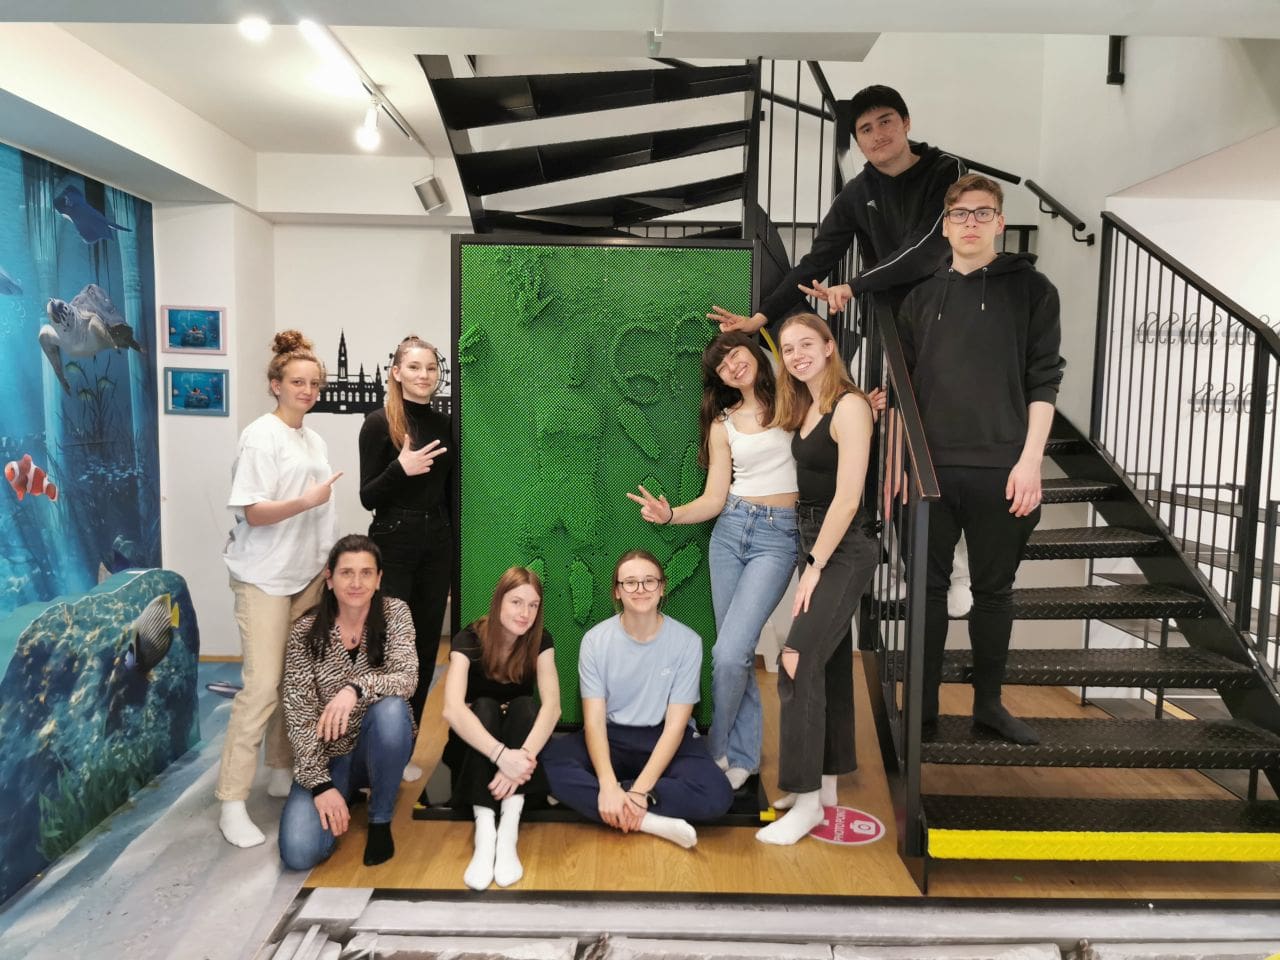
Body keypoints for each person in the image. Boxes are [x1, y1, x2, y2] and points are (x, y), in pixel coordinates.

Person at [897, 173, 1064, 746]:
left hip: (1004, 467)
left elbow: (1044, 379)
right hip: (931, 469)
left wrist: (1031, 461)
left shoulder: (1033, 290)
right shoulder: (920, 297)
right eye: (960, 214)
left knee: (994, 592)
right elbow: (905, 390)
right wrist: (902, 462)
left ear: (1000, 222)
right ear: (945, 225)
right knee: (928, 592)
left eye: (982, 213)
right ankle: (921, 710)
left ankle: (989, 706)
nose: (970, 223)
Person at [626, 332, 797, 792]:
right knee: (736, 653)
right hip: (730, 533)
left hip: (778, 537)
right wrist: (671, 515)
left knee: (728, 653)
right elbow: (715, 498)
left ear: (753, 351)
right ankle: (743, 757)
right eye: (721, 367)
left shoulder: (792, 400)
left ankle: (716, 748)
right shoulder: (723, 423)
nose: (732, 367)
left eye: (734, 354)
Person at [756, 313, 878, 846]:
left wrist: (816, 565)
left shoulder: (850, 406)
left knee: (797, 659)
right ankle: (825, 787)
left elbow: (848, 498)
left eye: (807, 343)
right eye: (787, 348)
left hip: (843, 546)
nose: (797, 355)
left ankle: (805, 801)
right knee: (826, 663)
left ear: (830, 347)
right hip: (815, 537)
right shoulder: (806, 406)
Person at [708, 84, 965, 335]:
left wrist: (853, 286)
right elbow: (816, 262)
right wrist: (760, 318)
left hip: (947, 309)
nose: (877, 135)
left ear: (906, 122)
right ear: (858, 142)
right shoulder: (856, 193)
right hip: (891, 320)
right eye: (866, 129)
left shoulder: (947, 171)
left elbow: (926, 248)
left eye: (885, 121)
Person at [218, 330, 341, 849]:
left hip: (306, 575)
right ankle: (231, 800)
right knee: (263, 685)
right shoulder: (260, 436)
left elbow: (322, 513)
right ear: (275, 384)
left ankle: (281, 768)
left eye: (314, 383)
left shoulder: (313, 440)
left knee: (297, 680)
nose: (307, 390)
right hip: (263, 578)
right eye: (297, 382)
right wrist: (304, 502)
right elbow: (252, 511)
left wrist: (328, 565)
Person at [541, 550, 735, 849]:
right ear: (617, 591)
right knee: (544, 764)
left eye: (649, 581)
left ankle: (616, 801)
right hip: (612, 737)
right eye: (630, 582)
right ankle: (649, 821)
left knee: (717, 794)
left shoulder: (687, 641)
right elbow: (594, 722)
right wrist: (607, 783)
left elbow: (675, 727)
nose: (640, 589)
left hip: (665, 738)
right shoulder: (595, 641)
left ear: (662, 587)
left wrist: (638, 792)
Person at [278, 535, 418, 869]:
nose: (356, 583)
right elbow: (298, 714)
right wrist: (320, 785)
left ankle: (380, 818)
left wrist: (355, 688)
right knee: (299, 853)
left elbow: (407, 678)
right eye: (346, 573)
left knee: (392, 709)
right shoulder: (304, 632)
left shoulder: (395, 613)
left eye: (366, 573)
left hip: (379, 744)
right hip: (328, 757)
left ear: (379, 579)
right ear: (329, 578)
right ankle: (345, 790)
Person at [358, 335, 452, 782]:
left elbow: (450, 493)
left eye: (431, 368)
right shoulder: (379, 424)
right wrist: (401, 468)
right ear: (396, 372)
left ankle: (406, 748)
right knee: (388, 646)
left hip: (438, 543)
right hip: (393, 541)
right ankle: (377, 753)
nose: (423, 375)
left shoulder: (446, 423)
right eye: (414, 367)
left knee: (426, 647)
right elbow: (367, 496)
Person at [441, 567, 560, 890]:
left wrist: (519, 760)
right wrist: (502, 756)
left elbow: (553, 707)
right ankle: (485, 831)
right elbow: (452, 709)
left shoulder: (541, 640)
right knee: (484, 707)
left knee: (525, 707)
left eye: (533, 605)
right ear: (498, 602)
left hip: (520, 753)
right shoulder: (469, 639)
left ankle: (508, 828)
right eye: (516, 602)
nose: (525, 613)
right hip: (476, 748)